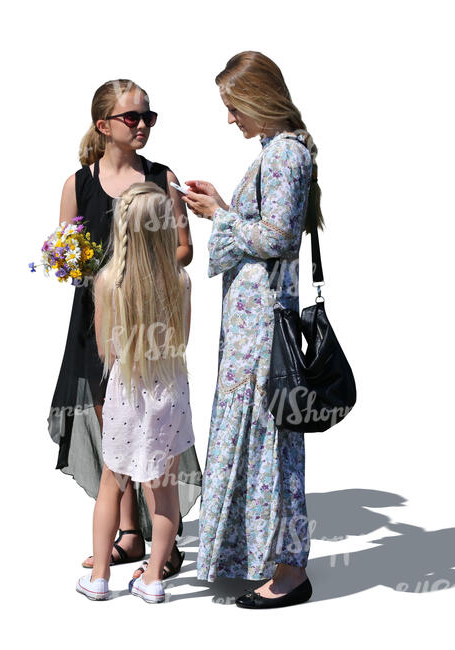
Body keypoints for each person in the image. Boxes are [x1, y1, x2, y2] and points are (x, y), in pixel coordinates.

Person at [182, 51, 323, 609]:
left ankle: (289, 572)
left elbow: (279, 238)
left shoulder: (285, 153)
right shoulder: (275, 151)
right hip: (251, 326)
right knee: (260, 440)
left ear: (259, 99)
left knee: (273, 443)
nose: (230, 118)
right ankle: (257, 556)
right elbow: (268, 228)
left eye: (234, 106)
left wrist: (219, 213)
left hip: (264, 330)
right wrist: (223, 207)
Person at [48, 79, 202, 580]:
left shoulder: (162, 177)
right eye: (132, 117)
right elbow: (64, 249)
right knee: (113, 426)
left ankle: (166, 541)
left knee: (156, 430)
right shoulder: (79, 182)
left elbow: (184, 249)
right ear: (103, 126)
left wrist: (135, 272)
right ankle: (130, 535)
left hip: (149, 323)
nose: (141, 125)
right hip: (96, 323)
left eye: (147, 117)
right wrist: (70, 262)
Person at [76, 182, 195, 603]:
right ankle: (154, 580)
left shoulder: (108, 282)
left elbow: (106, 347)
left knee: (113, 481)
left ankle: (101, 576)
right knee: (164, 488)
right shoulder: (180, 281)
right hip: (170, 391)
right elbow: (181, 340)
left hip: (127, 390)